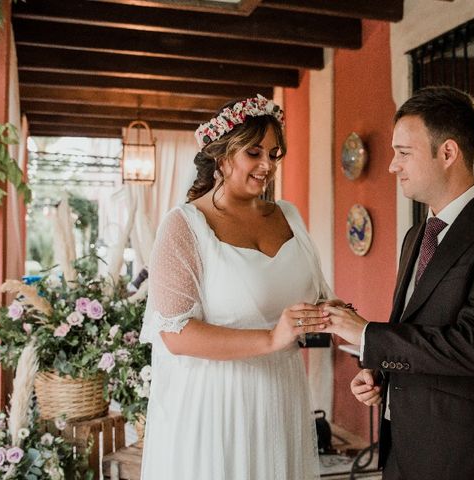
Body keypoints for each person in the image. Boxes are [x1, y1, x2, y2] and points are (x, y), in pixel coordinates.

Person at [323, 86, 474, 480]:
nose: (392, 166)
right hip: (401, 452)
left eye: (403, 153)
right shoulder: (416, 236)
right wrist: (379, 371)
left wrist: (371, 337)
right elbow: (417, 331)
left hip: (466, 456)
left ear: (448, 153)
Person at [139, 94, 333, 480]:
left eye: (274, 155)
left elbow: (315, 296)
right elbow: (175, 333)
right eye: (254, 153)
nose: (267, 166)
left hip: (281, 393)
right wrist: (270, 338)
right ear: (223, 157)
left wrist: (327, 312)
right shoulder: (184, 226)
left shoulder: (289, 216)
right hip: (218, 402)